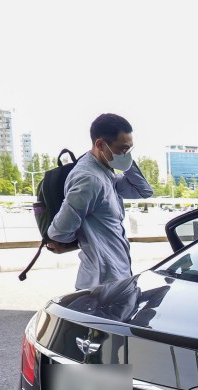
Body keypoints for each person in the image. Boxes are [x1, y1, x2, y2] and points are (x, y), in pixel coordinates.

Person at [46, 113, 154, 289]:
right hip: (100, 284)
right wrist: (80, 243)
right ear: (100, 144)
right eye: (123, 149)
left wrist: (126, 162)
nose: (126, 154)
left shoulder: (106, 173)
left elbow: (144, 191)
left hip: (117, 278)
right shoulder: (89, 179)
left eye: (129, 149)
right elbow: (58, 232)